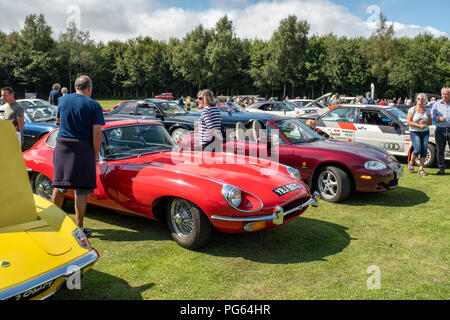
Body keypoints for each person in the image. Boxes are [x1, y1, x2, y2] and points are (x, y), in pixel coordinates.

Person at [51, 75, 105, 237]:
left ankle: (53, 223)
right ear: (89, 88)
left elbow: (58, 122)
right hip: (82, 148)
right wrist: (95, 155)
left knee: (60, 185)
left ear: (75, 87)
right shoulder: (94, 105)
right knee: (81, 190)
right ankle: (79, 228)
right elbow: (97, 135)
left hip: (62, 146)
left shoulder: (63, 100)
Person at [407, 93, 432, 176]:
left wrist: (425, 122)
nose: (420, 100)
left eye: (422, 99)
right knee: (417, 149)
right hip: (414, 132)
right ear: (416, 100)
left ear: (425, 100)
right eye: (418, 98)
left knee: (424, 150)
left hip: (425, 132)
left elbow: (430, 122)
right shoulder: (412, 109)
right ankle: (411, 163)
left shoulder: (427, 110)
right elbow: (408, 122)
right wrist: (418, 125)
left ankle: (421, 169)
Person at [431, 87, 450, 175]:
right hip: (440, 130)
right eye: (443, 94)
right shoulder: (436, 104)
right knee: (440, 150)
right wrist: (439, 118)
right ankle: (441, 168)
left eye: (447, 94)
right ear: (441, 94)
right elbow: (432, 116)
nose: (445, 96)